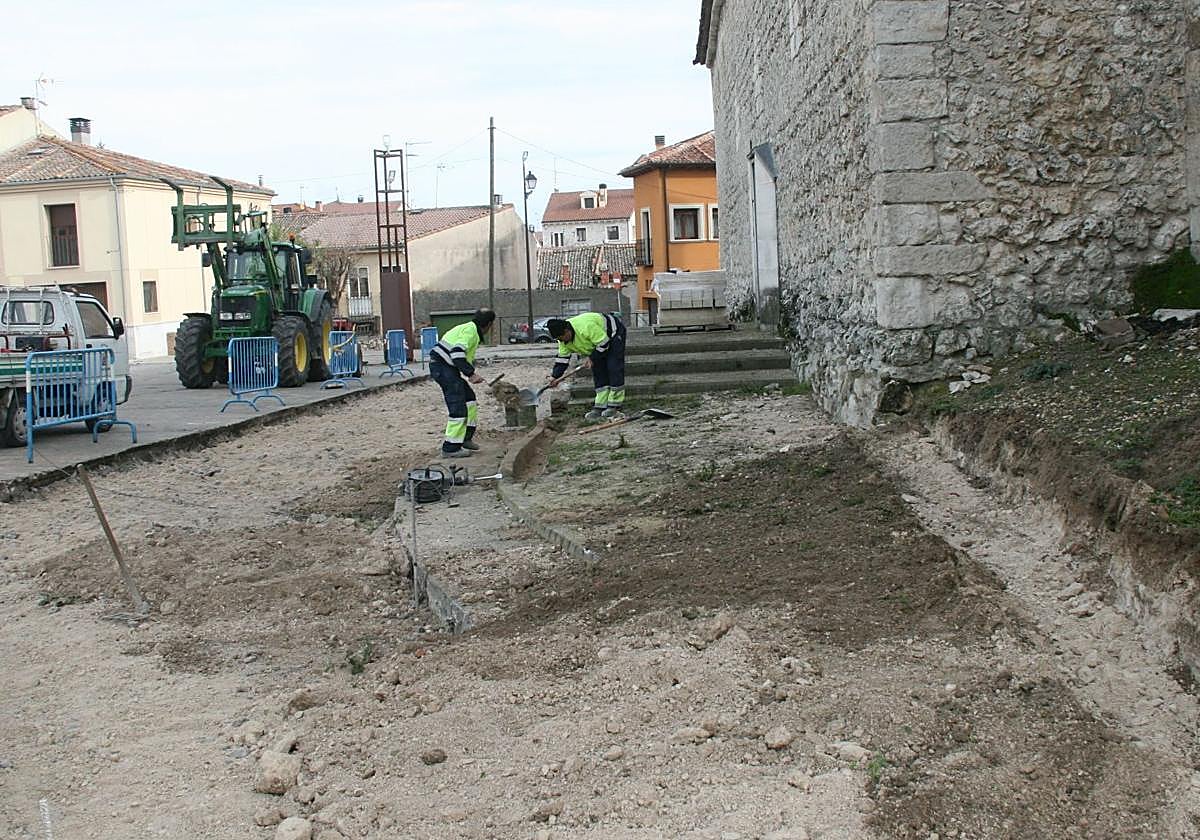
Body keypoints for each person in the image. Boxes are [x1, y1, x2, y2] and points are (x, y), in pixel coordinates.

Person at [429, 309, 495, 457]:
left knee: (469, 399)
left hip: (445, 367)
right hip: (442, 367)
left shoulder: (469, 329)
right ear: (490, 324)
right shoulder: (470, 332)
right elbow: (456, 353)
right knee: (457, 405)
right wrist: (470, 374)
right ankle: (450, 448)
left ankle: (465, 438)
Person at [546, 311, 626, 424]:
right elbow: (562, 360)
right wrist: (554, 376)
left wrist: (592, 358)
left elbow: (604, 343)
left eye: (562, 338)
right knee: (599, 372)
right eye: (559, 340)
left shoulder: (585, 327)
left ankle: (614, 405)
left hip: (613, 333)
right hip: (597, 342)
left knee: (613, 368)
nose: (561, 341)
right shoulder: (563, 341)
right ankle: (600, 406)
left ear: (567, 331)